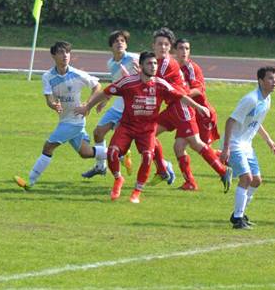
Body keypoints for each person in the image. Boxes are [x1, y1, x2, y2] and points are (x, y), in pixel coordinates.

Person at [77, 51, 210, 203]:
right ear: (141, 66)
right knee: (113, 152)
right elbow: (106, 92)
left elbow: (181, 96)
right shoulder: (128, 82)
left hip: (147, 129)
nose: (153, 66)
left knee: (147, 156)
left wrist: (198, 106)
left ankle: (136, 192)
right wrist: (87, 107)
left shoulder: (161, 84)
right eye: (149, 63)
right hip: (126, 127)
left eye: (155, 63)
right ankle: (118, 179)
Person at [149, 27, 233, 192]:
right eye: (160, 44)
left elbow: (158, 85)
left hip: (186, 107)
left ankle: (224, 169)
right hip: (174, 107)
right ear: (153, 45)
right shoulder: (159, 63)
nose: (162, 47)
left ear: (169, 47)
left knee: (195, 143)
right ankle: (181, 178)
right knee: (153, 135)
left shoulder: (168, 64)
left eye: (166, 44)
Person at [14, 41, 103, 190]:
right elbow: (48, 99)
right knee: (85, 152)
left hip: (75, 121)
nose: (65, 55)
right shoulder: (48, 77)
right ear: (53, 56)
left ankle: (30, 181)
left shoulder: (77, 74)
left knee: (48, 147)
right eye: (61, 52)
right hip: (64, 120)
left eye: (67, 52)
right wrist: (53, 105)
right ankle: (119, 154)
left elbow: (98, 86)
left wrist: (87, 104)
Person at [221, 66, 275, 230]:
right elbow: (230, 121)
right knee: (246, 179)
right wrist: (226, 148)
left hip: (247, 144)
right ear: (260, 81)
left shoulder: (267, 99)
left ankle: (240, 213)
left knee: (256, 181)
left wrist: (268, 140)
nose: (274, 82)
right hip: (235, 143)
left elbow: (257, 122)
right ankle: (237, 219)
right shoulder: (251, 99)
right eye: (270, 79)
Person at [82, 30, 138, 179]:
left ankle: (163, 167)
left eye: (122, 41)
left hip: (132, 107)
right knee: (98, 133)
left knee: (121, 139)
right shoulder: (111, 63)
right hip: (118, 105)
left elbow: (146, 78)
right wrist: (105, 101)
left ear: (126, 44)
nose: (119, 43)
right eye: (116, 41)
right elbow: (116, 84)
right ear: (111, 46)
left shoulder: (134, 59)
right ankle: (101, 167)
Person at [173, 37, 222, 190]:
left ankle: (232, 159)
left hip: (203, 113)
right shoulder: (172, 68)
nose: (184, 52)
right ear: (175, 50)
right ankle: (190, 182)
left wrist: (182, 93)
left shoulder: (192, 68)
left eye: (187, 48)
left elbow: (198, 89)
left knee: (203, 147)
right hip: (187, 114)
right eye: (181, 48)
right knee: (179, 146)